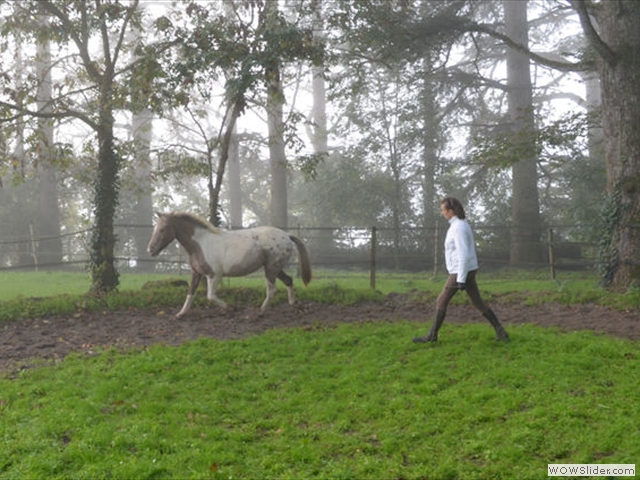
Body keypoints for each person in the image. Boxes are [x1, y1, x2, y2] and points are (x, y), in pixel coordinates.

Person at [413, 197, 509, 343]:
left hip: (460, 270)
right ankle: (501, 332)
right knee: (478, 302)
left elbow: (463, 254)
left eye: (443, 210)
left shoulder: (458, 228)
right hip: (467, 269)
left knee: (441, 300)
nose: (442, 213)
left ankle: (432, 336)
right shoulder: (459, 225)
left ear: (451, 211)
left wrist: (461, 279)